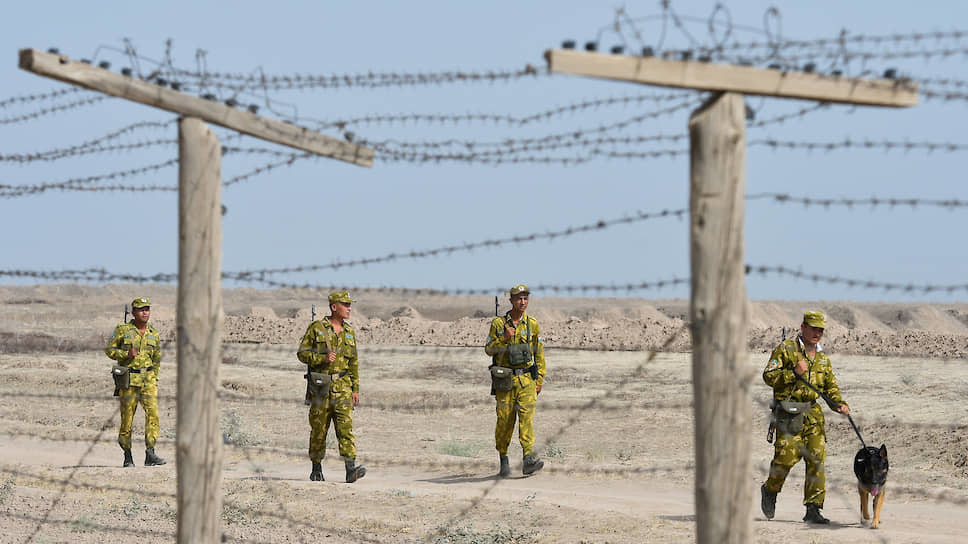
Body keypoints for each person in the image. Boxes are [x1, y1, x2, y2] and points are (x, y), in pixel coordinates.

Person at [760, 311, 850, 524]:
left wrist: (839, 404)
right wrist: (793, 373)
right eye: (813, 329)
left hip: (813, 415)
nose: (817, 333)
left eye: (821, 330)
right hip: (789, 414)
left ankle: (813, 509)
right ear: (803, 328)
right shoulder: (786, 349)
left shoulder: (822, 358)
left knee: (816, 460)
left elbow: (830, 386)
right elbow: (768, 376)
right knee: (785, 460)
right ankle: (770, 489)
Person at [297, 291, 366, 483]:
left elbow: (353, 363)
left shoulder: (349, 332)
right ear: (334, 307)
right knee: (319, 429)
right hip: (321, 387)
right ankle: (316, 468)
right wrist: (321, 358)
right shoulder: (317, 328)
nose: (349, 308)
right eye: (346, 304)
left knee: (346, 429)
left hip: (343, 387)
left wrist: (355, 389)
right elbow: (302, 353)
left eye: (350, 304)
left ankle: (350, 469)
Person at [485, 284, 547, 477]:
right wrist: (503, 338)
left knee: (526, 420)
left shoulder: (532, 324)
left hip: (527, 380)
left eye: (525, 298)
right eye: (519, 298)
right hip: (505, 381)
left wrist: (539, 379)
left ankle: (528, 459)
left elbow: (539, 353)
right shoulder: (498, 324)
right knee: (505, 421)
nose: (522, 302)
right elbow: (489, 350)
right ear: (511, 300)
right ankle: (503, 459)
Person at [104, 297, 166, 468]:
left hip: (148, 380)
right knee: (127, 419)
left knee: (153, 415)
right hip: (129, 380)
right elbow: (109, 349)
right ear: (133, 312)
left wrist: (155, 377)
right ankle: (127, 455)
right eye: (141, 309)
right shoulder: (123, 330)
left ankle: (150, 453)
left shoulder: (153, 333)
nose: (145, 313)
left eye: (147, 309)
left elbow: (157, 359)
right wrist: (125, 354)